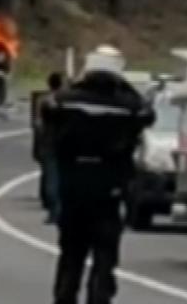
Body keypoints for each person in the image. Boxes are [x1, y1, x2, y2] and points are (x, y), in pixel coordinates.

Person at [46, 46, 154, 304]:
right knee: (105, 253)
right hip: (109, 189)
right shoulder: (129, 107)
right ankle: (99, 297)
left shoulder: (64, 102)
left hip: (73, 187)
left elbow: (47, 115)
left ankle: (64, 297)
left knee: (71, 253)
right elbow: (148, 114)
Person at [38, 72, 65, 224]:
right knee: (60, 179)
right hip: (63, 144)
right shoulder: (67, 100)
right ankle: (59, 211)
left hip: (50, 144)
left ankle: (55, 211)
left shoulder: (45, 100)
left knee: (52, 178)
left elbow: (40, 124)